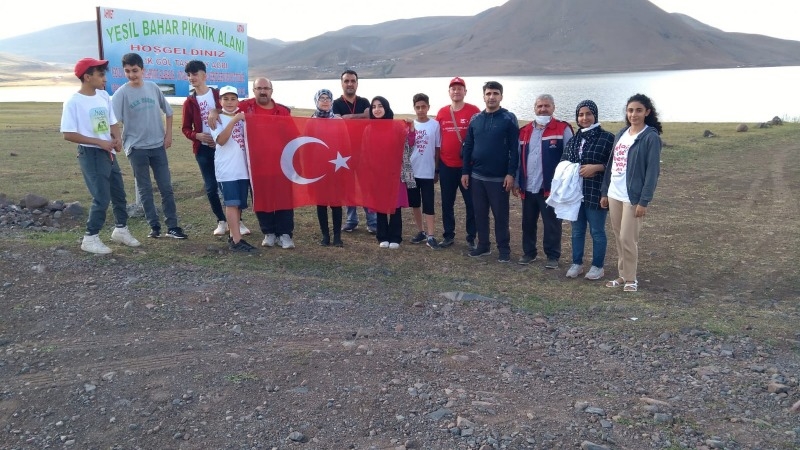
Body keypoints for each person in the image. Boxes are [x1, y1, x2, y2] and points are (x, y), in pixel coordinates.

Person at [60, 57, 141, 254]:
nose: (105, 78)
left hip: (108, 151)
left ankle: (121, 229)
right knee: (101, 197)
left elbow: (112, 121)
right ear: (87, 77)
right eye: (100, 74)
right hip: (91, 153)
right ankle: (90, 237)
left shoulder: (103, 96)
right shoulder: (74, 102)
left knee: (119, 194)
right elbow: (68, 134)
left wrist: (117, 138)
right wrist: (99, 142)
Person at [210, 77, 295, 249]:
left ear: (272, 90)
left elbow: (292, 135)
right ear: (254, 91)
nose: (263, 91)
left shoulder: (283, 111)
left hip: (280, 164)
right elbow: (227, 108)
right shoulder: (246, 107)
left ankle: (284, 234)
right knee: (261, 199)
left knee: (283, 199)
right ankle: (269, 232)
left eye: (266, 88)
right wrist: (213, 111)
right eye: (259, 88)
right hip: (256, 165)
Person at [111, 52, 186, 240]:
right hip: (136, 148)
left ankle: (173, 226)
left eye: (135, 70)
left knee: (166, 187)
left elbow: (168, 112)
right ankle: (154, 226)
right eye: (127, 71)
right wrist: (116, 141)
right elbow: (113, 121)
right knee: (144, 189)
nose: (131, 75)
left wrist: (168, 135)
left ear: (143, 70)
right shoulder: (121, 93)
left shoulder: (153, 88)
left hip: (157, 146)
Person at [600, 93, 662, 292]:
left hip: (633, 196)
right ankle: (622, 274)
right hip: (614, 193)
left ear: (647, 112)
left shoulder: (650, 137)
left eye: (638, 110)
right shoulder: (621, 134)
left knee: (628, 238)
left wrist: (644, 201)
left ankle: (631, 279)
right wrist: (604, 192)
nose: (633, 114)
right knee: (619, 236)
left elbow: (653, 172)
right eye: (630, 110)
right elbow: (611, 165)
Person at [181, 60, 250, 237]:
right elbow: (185, 128)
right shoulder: (189, 102)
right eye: (189, 75)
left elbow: (231, 108)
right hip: (204, 148)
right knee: (211, 187)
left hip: (225, 146)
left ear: (204, 75)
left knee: (230, 183)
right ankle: (221, 220)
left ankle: (238, 221)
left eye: (195, 74)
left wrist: (215, 111)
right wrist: (197, 136)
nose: (191, 78)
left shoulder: (218, 94)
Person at [460, 81, 519, 263]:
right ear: (483, 96)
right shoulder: (476, 119)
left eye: (495, 93)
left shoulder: (508, 118)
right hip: (477, 176)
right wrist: (465, 172)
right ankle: (483, 245)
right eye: (488, 93)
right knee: (479, 213)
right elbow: (468, 145)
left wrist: (511, 173)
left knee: (500, 215)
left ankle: (504, 250)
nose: (491, 97)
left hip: (499, 178)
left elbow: (514, 148)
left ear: (501, 96)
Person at [515, 94, 574, 269]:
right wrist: (518, 181)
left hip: (550, 188)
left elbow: (570, 159)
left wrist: (564, 184)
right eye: (539, 106)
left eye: (546, 106)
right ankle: (529, 253)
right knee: (528, 222)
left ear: (553, 107)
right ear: (534, 108)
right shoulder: (524, 130)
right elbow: (518, 158)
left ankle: (553, 256)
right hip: (528, 186)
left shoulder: (563, 129)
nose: (543, 109)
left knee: (552, 224)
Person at [560, 100, 615, 280]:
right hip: (576, 192)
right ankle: (577, 263)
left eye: (588, 114)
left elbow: (615, 165)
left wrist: (597, 167)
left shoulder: (607, 138)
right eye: (580, 115)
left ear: (595, 115)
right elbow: (564, 161)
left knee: (597, 231)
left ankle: (598, 266)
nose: (584, 118)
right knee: (577, 230)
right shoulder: (575, 139)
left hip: (596, 191)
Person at [435, 77, 480, 250]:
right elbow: (437, 140)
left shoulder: (474, 111)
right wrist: (437, 168)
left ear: (465, 92)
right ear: (449, 92)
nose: (456, 91)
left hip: (467, 167)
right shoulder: (442, 113)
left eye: (459, 88)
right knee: (447, 202)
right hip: (447, 165)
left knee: (471, 203)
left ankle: (471, 237)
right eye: (453, 88)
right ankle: (448, 235)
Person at [210, 86, 255, 252]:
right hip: (227, 169)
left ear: (238, 100)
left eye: (233, 98)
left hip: (243, 169)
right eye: (225, 99)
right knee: (231, 203)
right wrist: (234, 121)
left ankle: (234, 236)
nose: (229, 102)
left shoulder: (244, 118)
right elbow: (221, 140)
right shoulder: (216, 119)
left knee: (238, 205)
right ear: (220, 101)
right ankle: (236, 240)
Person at [368, 96, 416, 249]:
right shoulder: (368, 128)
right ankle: (382, 235)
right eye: (374, 106)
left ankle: (395, 236)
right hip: (377, 173)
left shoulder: (397, 127)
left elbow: (410, 143)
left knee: (395, 206)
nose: (377, 109)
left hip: (395, 173)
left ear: (386, 108)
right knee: (380, 205)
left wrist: (412, 126)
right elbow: (364, 150)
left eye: (380, 106)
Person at [332, 69, 376, 234]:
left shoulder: (365, 101)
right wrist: (361, 116)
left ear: (357, 83)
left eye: (353, 81)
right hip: (344, 152)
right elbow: (338, 120)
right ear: (342, 83)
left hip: (365, 150)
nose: (350, 84)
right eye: (346, 81)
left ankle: (372, 221)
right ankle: (351, 220)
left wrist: (350, 118)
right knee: (348, 187)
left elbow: (372, 118)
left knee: (367, 186)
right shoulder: (336, 103)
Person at [407, 93, 442, 249]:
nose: (421, 110)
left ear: (428, 107)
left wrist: (436, 170)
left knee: (429, 203)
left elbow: (437, 148)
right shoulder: (410, 125)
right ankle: (420, 231)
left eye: (423, 107)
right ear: (414, 108)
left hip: (428, 171)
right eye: (418, 107)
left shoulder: (434, 125)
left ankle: (431, 235)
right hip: (413, 171)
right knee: (415, 203)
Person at [311, 89, 345, 247]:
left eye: (328, 98)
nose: (325, 101)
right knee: (321, 202)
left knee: (336, 202)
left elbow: (346, 143)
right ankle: (325, 235)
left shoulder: (338, 121)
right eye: (321, 98)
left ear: (332, 101)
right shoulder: (310, 121)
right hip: (318, 168)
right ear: (316, 101)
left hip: (337, 166)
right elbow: (306, 145)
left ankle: (337, 236)